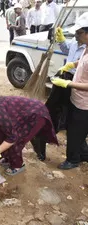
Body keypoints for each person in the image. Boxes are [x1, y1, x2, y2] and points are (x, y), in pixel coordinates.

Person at [51, 13, 88, 170]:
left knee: (73, 132)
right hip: (76, 98)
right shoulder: (86, 47)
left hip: (84, 103)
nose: (76, 36)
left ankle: (73, 160)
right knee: (79, 130)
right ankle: (85, 154)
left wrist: (69, 84)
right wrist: (72, 64)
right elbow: (83, 61)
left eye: (79, 33)